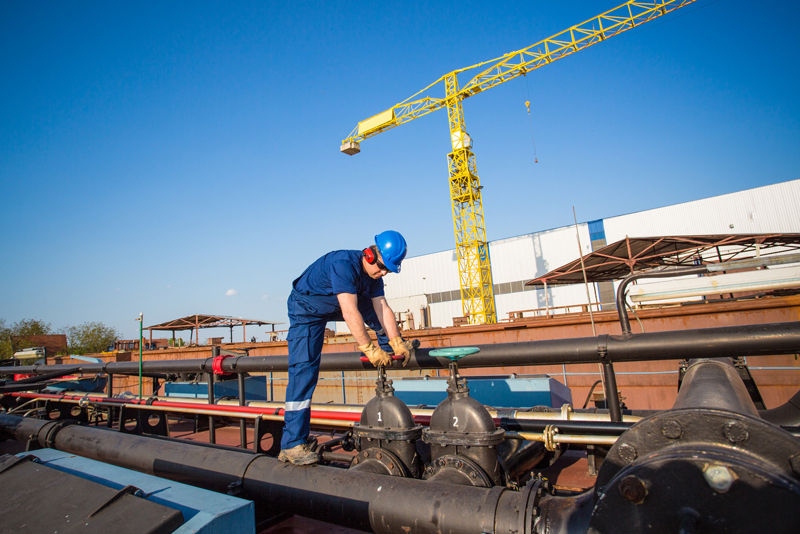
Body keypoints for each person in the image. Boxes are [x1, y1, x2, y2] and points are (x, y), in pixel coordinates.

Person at [279, 230, 417, 465]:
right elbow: (350, 311)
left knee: (374, 308)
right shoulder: (343, 265)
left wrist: (396, 341)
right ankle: (292, 445)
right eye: (382, 268)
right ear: (370, 255)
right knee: (304, 370)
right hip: (307, 308)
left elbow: (382, 307)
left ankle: (392, 348)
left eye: (387, 271)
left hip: (332, 302)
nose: (383, 273)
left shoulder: (374, 276)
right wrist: (369, 349)